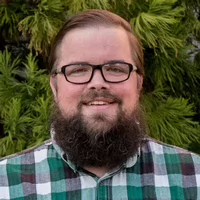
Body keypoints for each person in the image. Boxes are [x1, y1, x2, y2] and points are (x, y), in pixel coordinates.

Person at [0, 9, 200, 200]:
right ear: (54, 86)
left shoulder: (193, 178)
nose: (97, 83)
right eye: (78, 70)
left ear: (138, 83)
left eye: (115, 68)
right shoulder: (5, 184)